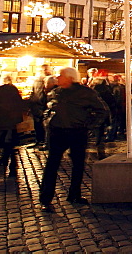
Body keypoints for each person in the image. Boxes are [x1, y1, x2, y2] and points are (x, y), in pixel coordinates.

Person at [38, 67, 107, 211]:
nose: (58, 77)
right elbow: (48, 108)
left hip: (77, 132)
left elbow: (102, 111)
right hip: (57, 132)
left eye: (61, 75)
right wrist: (48, 121)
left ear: (70, 78)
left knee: (78, 165)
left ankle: (74, 194)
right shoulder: (56, 92)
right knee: (52, 165)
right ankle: (45, 198)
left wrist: (88, 125)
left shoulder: (85, 93)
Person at [0, 75, 27, 176]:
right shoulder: (13, 89)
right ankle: (11, 161)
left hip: (3, 118)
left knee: (4, 138)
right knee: (11, 140)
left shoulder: (0, 90)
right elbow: (19, 103)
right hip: (12, 119)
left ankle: (5, 158)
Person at [28, 64, 54, 149]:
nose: (45, 71)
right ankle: (39, 140)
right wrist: (31, 102)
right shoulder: (36, 81)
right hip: (36, 105)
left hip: (44, 105)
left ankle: (45, 141)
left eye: (46, 69)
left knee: (45, 125)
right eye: (43, 69)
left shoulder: (51, 80)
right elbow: (33, 92)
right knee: (37, 125)